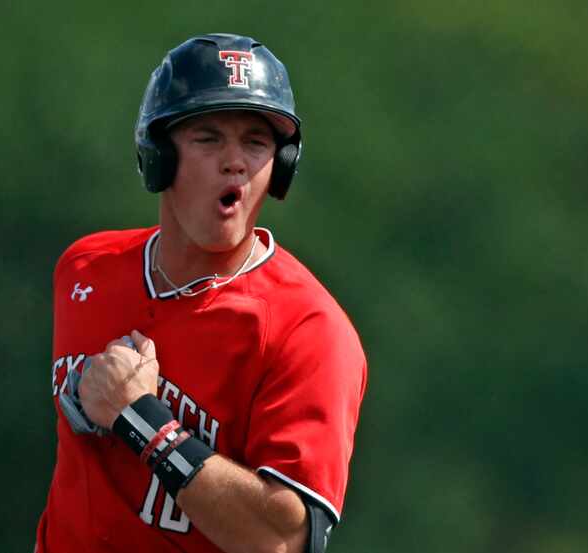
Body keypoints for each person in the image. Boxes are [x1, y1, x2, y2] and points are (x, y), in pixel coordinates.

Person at [35, 33, 368, 553]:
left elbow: (282, 540)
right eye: (208, 138)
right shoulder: (86, 271)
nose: (234, 161)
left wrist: (145, 422)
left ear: (279, 167)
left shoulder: (309, 330)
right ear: (159, 155)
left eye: (256, 143)